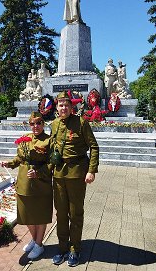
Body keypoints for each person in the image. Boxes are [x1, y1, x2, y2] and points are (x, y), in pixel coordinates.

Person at [50, 90, 99, 267]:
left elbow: (94, 146)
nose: (63, 107)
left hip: (77, 173)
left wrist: (91, 170)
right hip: (59, 174)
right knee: (61, 213)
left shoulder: (81, 123)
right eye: (60, 104)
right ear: (57, 107)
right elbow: (52, 149)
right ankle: (62, 248)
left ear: (72, 107)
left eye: (66, 105)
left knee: (75, 213)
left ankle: (74, 249)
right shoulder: (54, 124)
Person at [1, 112, 52, 260]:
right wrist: (9, 163)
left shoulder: (48, 141)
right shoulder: (25, 139)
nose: (35, 126)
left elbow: (51, 163)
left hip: (41, 183)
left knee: (40, 214)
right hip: (24, 182)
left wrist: (39, 173)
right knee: (27, 214)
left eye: (38, 123)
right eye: (32, 123)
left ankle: (39, 244)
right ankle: (35, 240)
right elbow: (19, 158)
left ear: (43, 124)